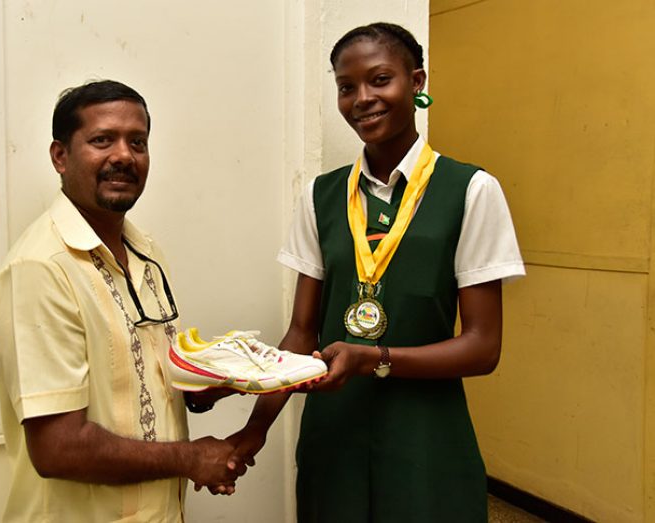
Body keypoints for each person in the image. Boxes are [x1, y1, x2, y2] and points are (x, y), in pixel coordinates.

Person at [224, 22, 526, 522]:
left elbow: (482, 346)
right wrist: (254, 430)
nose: (362, 98)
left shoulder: (471, 190)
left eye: (380, 79)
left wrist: (375, 357)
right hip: (333, 433)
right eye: (347, 87)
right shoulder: (321, 196)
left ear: (417, 81)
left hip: (426, 434)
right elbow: (302, 332)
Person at [0, 80, 244, 523]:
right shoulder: (40, 270)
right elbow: (59, 449)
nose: (123, 155)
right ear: (60, 156)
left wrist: (206, 386)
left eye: (137, 142)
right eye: (102, 140)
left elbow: (135, 381)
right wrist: (190, 459)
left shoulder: (145, 251)